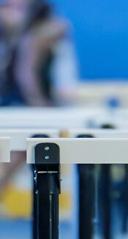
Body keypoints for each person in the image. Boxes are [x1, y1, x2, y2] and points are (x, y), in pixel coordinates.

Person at [1, 0, 76, 192]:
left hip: (23, 101)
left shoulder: (42, 31)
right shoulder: (35, 33)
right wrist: (39, 103)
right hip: (23, 102)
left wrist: (39, 103)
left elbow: (26, 72)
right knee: (11, 163)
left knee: (13, 162)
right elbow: (25, 73)